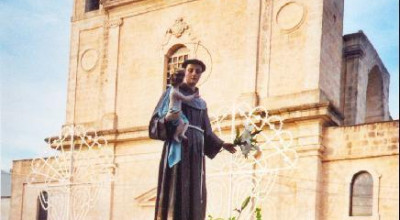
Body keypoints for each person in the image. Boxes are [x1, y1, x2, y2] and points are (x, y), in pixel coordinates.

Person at [149, 59, 236, 220]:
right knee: (175, 187)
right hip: (179, 146)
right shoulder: (171, 93)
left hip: (195, 151)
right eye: (191, 70)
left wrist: (222, 144)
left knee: (194, 191)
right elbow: (154, 123)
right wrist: (169, 121)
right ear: (184, 72)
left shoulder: (201, 103)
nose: (194, 74)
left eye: (198, 71)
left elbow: (207, 131)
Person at [166, 70, 200, 142]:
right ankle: (176, 135)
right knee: (181, 123)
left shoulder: (176, 89)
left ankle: (182, 133)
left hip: (178, 111)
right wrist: (194, 95)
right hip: (174, 111)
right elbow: (186, 99)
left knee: (186, 122)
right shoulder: (174, 92)